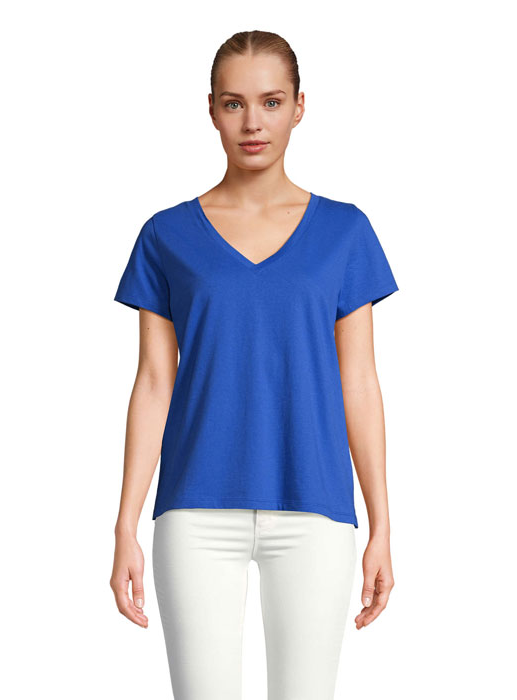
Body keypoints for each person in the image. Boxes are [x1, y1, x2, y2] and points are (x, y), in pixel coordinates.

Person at [110, 29, 398, 700]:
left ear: (299, 107)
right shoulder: (165, 235)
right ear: (211, 110)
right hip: (194, 509)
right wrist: (125, 524)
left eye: (270, 102)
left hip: (315, 505)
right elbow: (154, 383)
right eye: (234, 104)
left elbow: (359, 382)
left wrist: (382, 523)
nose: (253, 123)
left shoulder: (345, 231)